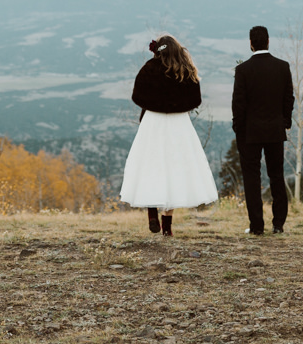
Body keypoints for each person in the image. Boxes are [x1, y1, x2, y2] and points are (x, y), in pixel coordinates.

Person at [119, 34, 218, 235]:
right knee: (175, 170)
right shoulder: (186, 70)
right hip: (178, 124)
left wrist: (155, 106)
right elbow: (195, 100)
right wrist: (176, 107)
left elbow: (137, 96)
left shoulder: (149, 68)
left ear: (158, 50)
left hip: (153, 122)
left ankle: (152, 212)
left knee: (150, 166)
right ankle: (167, 227)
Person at [231, 24, 294, 235]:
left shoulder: (243, 70)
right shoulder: (282, 67)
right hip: (275, 130)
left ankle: (257, 226)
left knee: (252, 178)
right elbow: (288, 98)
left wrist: (238, 129)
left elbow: (238, 104)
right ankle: (278, 224)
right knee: (276, 176)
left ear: (250, 43)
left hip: (250, 133)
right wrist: (285, 121)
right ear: (268, 42)